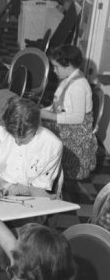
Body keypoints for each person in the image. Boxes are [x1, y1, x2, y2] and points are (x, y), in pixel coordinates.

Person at [0, 97, 63, 198]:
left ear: (35, 127)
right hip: (1, 183)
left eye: (23, 138)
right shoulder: (0, 133)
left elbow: (37, 188)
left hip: (31, 190)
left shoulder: (52, 145)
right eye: (13, 136)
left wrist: (50, 198)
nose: (17, 142)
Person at [40, 45, 97, 181]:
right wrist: (44, 110)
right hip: (70, 123)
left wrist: (46, 115)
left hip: (78, 131)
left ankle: (47, 170)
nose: (54, 70)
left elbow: (77, 118)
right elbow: (58, 104)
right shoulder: (68, 79)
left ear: (69, 66)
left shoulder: (78, 86)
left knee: (39, 131)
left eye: (56, 66)